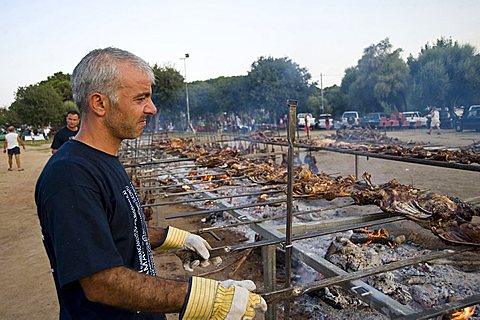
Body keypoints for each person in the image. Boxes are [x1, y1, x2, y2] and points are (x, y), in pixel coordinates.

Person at [35, 47, 267, 320]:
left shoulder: (102, 159)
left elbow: (117, 225)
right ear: (99, 103)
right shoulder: (71, 176)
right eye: (140, 98)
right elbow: (100, 282)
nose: (152, 108)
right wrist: (202, 297)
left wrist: (176, 239)